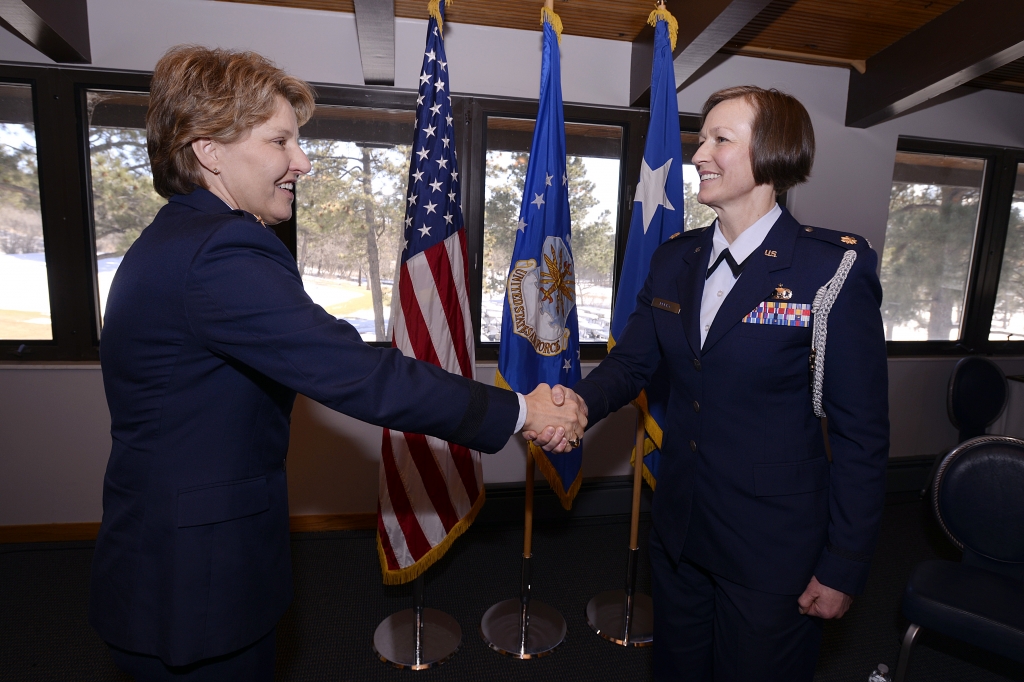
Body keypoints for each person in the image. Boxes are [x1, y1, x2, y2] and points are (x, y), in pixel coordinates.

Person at [90, 45, 585, 681]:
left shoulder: (180, 238)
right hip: (195, 582)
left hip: (169, 557)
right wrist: (523, 409)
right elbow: (357, 373)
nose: (302, 160)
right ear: (208, 149)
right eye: (280, 141)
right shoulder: (221, 252)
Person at [559, 86, 889, 680]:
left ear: (772, 155)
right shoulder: (674, 260)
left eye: (720, 139)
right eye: (701, 136)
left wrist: (844, 563)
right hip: (682, 529)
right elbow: (633, 363)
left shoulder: (830, 268)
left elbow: (862, 435)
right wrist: (574, 405)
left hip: (773, 548)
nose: (698, 153)